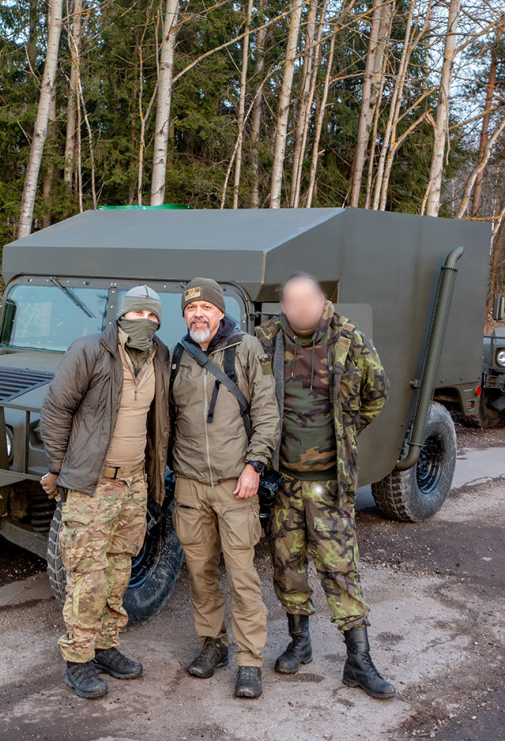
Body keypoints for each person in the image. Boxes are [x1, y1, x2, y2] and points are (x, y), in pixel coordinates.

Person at [253, 272, 396, 699]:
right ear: (283, 306)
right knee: (286, 566)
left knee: (340, 569)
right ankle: (300, 642)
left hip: (330, 485)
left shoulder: (349, 339)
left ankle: (359, 660)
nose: (300, 308)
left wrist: (344, 432)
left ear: (322, 300)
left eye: (307, 299)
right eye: (291, 301)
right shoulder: (265, 341)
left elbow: (377, 394)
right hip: (285, 485)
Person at [39, 285, 172, 699]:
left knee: (119, 568)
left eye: (152, 317)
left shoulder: (161, 356)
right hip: (92, 483)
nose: (144, 323)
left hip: (133, 481)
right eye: (137, 315)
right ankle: (78, 660)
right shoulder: (90, 351)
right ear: (121, 315)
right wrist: (62, 469)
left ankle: (106, 646)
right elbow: (56, 409)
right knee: (87, 573)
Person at [168, 277, 279, 699]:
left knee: (242, 574)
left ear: (219, 311)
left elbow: (268, 413)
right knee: (200, 573)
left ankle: (250, 661)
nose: (198, 315)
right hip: (191, 485)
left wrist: (255, 465)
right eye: (190, 310)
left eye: (205, 308)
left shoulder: (246, 348)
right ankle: (212, 644)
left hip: (237, 486)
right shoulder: (178, 355)